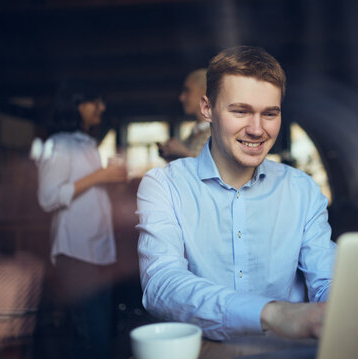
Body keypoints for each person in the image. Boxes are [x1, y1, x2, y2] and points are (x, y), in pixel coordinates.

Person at [136, 46, 336, 341]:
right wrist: (271, 313)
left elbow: (327, 277)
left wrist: (335, 306)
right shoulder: (164, 185)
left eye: (270, 113)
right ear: (207, 109)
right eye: (240, 111)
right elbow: (161, 284)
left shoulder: (302, 190)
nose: (257, 129)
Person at [36, 80, 127, 359]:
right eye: (94, 101)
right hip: (75, 251)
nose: (102, 107)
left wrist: (113, 182)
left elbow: (88, 196)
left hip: (99, 249)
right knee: (92, 336)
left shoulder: (87, 144)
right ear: (76, 105)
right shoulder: (58, 144)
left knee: (97, 335)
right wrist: (100, 176)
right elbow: (47, 198)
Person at [157, 68, 211, 161]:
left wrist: (184, 154)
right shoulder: (194, 133)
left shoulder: (218, 133)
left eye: (187, 90)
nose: (181, 98)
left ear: (204, 92)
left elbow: (216, 172)